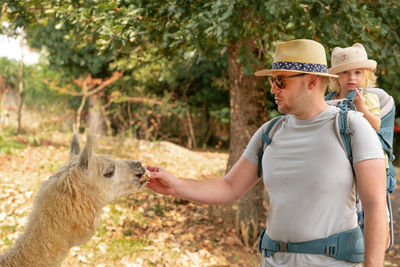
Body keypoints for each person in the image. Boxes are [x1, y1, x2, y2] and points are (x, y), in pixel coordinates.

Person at [145, 39, 388, 267]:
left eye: (281, 80)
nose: (273, 88)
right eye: (272, 79)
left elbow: (375, 205)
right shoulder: (270, 132)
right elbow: (230, 187)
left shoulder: (352, 128)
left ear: (311, 81)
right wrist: (174, 185)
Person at [328, 43, 389, 167]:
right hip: (341, 155)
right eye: (345, 72)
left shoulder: (367, 98)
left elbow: (376, 125)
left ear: (366, 75)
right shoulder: (330, 99)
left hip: (367, 157)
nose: (351, 78)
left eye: (357, 72)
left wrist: (361, 108)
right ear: (336, 76)